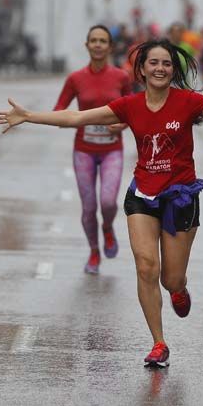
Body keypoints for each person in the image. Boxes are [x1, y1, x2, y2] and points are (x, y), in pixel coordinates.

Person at [0, 39, 203, 367]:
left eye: (166, 64)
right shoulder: (128, 106)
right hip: (143, 196)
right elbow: (76, 118)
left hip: (180, 197)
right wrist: (29, 116)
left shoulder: (191, 102)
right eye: (154, 63)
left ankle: (179, 289)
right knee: (146, 266)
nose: (160, 68)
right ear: (142, 69)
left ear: (173, 70)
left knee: (170, 280)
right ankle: (158, 343)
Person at [53, 25, 133, 274]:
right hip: (84, 150)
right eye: (94, 41)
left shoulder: (121, 78)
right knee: (88, 207)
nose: (98, 45)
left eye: (103, 41)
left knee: (108, 202)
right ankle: (94, 251)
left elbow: (132, 111)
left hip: (112, 150)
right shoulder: (75, 78)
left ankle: (107, 228)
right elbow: (59, 109)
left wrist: (121, 125)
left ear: (110, 47)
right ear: (87, 45)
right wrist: (68, 119)